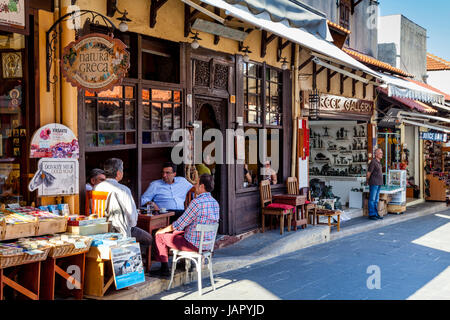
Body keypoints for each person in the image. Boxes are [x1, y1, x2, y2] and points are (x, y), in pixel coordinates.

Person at [153, 174, 220, 276]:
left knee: (160, 236)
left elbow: (179, 224)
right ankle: (182, 263)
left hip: (194, 244)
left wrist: (163, 230)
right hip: (207, 244)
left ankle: (164, 270)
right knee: (177, 233)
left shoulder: (196, 203)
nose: (195, 186)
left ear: (202, 186)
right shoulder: (215, 203)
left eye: (197, 184)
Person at [94, 158, 153, 253]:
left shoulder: (97, 187)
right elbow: (132, 220)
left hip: (100, 228)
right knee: (148, 238)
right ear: (118, 173)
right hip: (119, 230)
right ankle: (131, 257)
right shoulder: (123, 190)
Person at [366, 148, 384, 220]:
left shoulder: (379, 162)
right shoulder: (373, 162)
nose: (381, 154)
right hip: (374, 183)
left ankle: (376, 214)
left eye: (381, 153)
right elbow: (368, 173)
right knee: (372, 199)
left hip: (379, 183)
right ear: (376, 154)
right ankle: (372, 214)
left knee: (376, 200)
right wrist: (367, 180)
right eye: (380, 153)